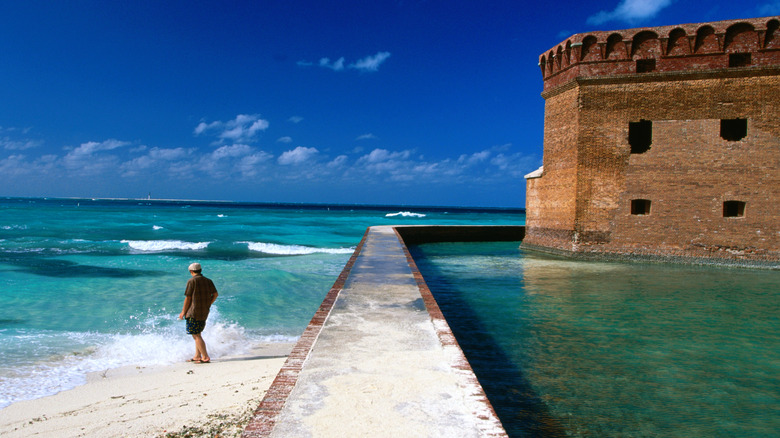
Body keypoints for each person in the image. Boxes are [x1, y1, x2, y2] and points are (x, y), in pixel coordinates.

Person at [178, 262, 218, 364]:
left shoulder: (192, 281)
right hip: (204, 311)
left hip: (193, 312)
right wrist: (208, 303)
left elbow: (188, 298)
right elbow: (215, 294)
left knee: (196, 335)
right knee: (198, 333)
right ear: (200, 270)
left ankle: (205, 357)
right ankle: (197, 356)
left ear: (191, 271)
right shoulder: (208, 281)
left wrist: (183, 312)